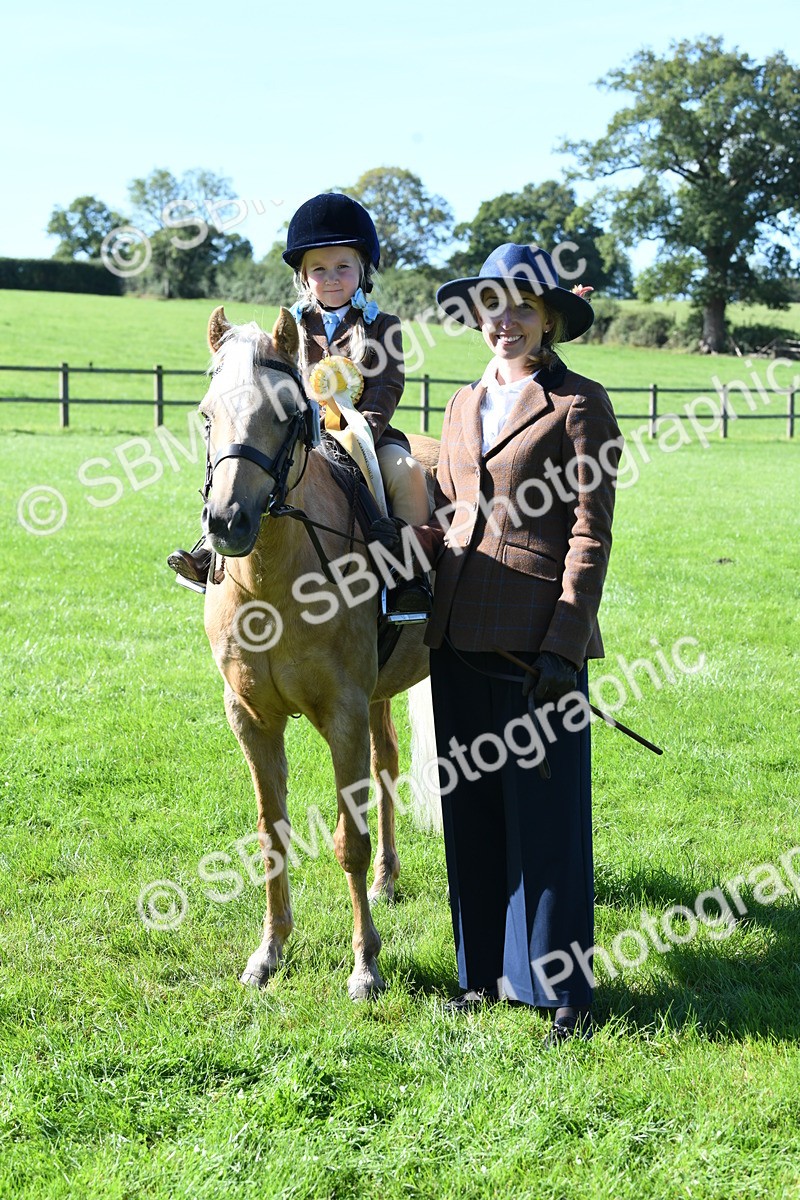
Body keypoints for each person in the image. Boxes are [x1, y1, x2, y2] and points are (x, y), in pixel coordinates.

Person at [369, 243, 622, 1044]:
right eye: (491, 307)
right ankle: (481, 978)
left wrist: (565, 644)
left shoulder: (580, 404)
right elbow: (443, 510)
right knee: (472, 814)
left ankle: (564, 996)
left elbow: (591, 533)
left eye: (521, 308)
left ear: (548, 320)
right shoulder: (458, 404)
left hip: (537, 648)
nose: (503, 322)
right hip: (455, 637)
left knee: (545, 823)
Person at [168, 192, 431, 614]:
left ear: (362, 271)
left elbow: (388, 386)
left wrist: (361, 429)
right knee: (243, 466)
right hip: (300, 435)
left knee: (408, 471)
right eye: (319, 270)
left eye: (342, 267)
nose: (331, 278)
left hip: (366, 434)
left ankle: (407, 576)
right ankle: (211, 547)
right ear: (304, 278)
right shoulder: (286, 330)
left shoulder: (382, 326)